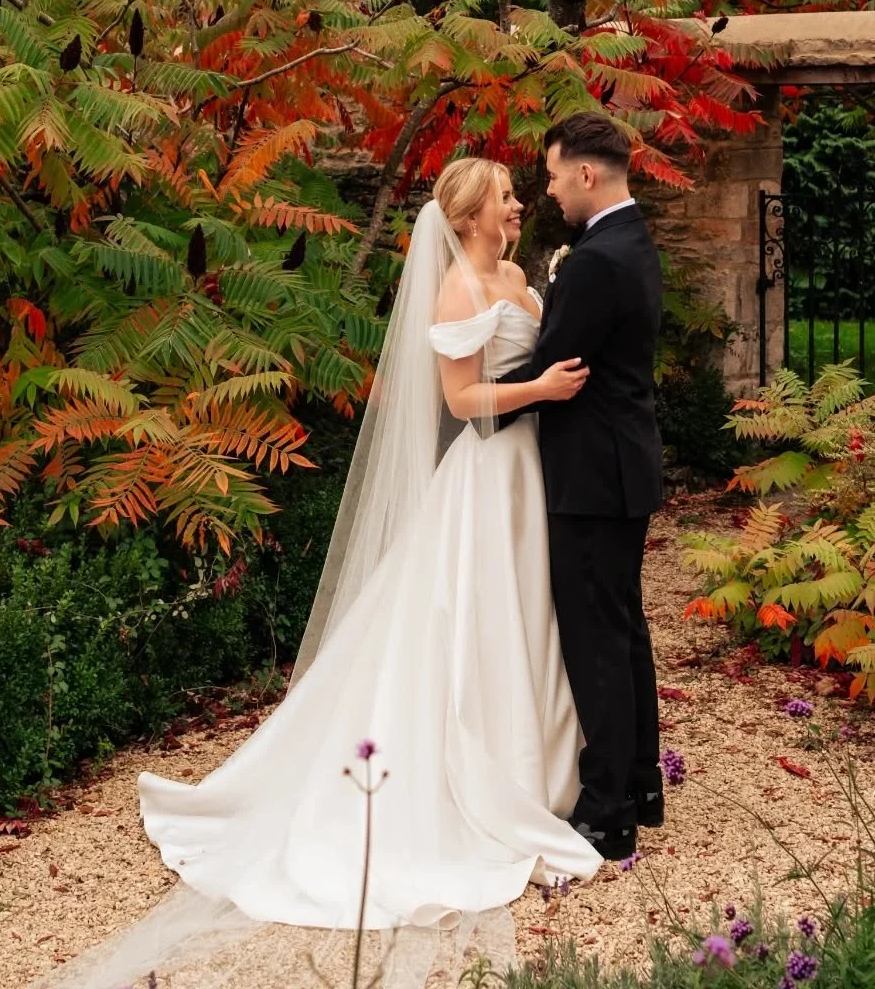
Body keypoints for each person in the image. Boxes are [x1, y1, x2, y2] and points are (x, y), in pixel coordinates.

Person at [40, 158, 601, 989]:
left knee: (525, 617)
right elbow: (459, 403)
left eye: (519, 197)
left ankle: (545, 766)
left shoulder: (517, 274)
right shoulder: (456, 291)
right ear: (473, 214)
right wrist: (541, 391)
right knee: (475, 621)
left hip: (531, 477)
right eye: (507, 199)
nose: (519, 206)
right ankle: (487, 777)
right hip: (489, 476)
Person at [497, 112, 665, 863]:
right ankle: (640, 785)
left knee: (597, 643)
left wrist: (463, 405)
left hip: (592, 476)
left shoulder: (597, 258)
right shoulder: (628, 239)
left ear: (588, 174)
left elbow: (554, 366)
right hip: (618, 466)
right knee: (623, 634)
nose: (551, 190)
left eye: (557, 174)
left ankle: (607, 813)